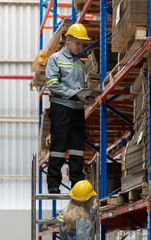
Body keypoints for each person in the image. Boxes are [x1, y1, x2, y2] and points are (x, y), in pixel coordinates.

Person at [45, 23, 94, 193]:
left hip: (78, 109)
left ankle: (77, 184)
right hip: (61, 107)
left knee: (77, 148)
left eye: (83, 44)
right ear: (68, 40)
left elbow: (82, 86)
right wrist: (75, 94)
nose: (80, 47)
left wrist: (87, 96)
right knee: (59, 146)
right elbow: (52, 85)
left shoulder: (80, 64)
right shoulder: (55, 59)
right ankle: (53, 184)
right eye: (78, 44)